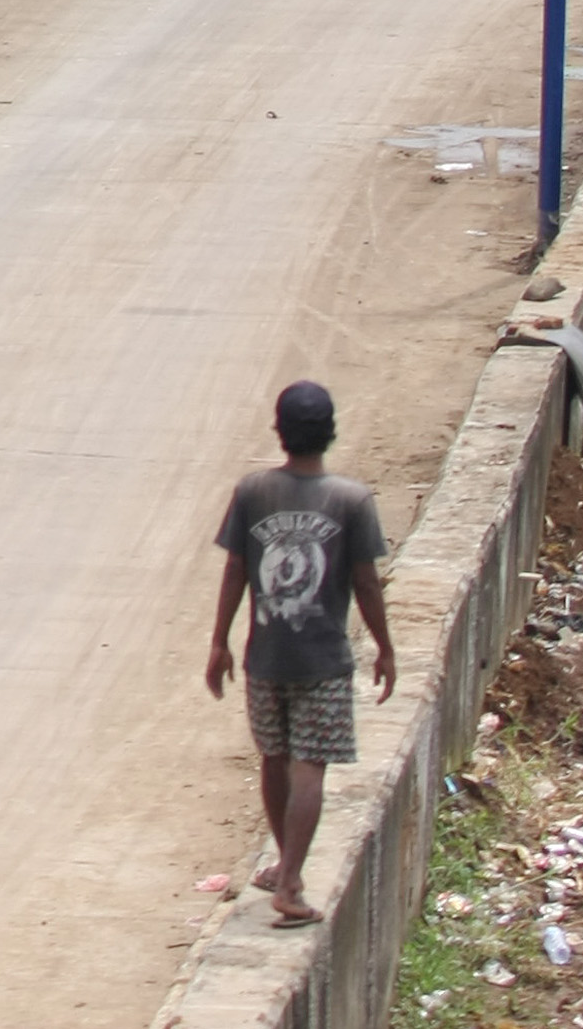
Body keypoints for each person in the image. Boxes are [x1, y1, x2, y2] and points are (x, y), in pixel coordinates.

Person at [203, 379, 395, 928]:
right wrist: (384, 646)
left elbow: (236, 569)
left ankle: (285, 863)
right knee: (310, 765)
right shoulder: (351, 500)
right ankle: (289, 881)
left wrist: (219, 641)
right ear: (330, 433)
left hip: (265, 656)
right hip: (323, 661)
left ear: (279, 432)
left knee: (274, 757)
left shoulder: (253, 492)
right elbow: (366, 583)